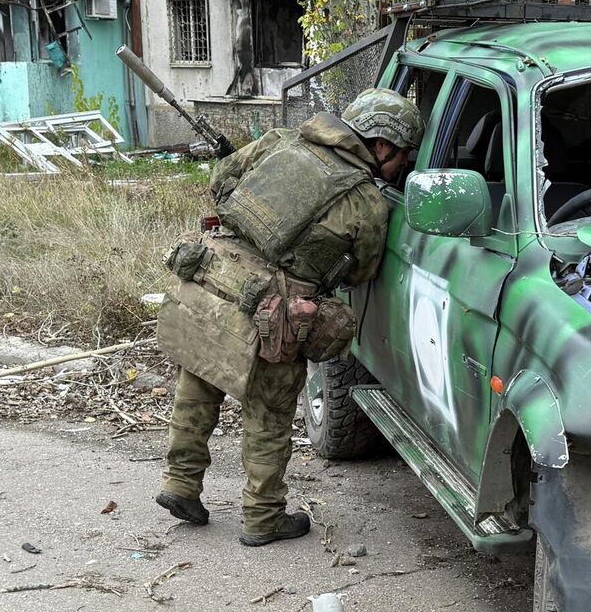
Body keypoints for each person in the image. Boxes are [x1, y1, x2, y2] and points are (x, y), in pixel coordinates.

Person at [155, 88, 421, 546]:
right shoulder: (368, 203)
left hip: (216, 277)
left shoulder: (281, 140)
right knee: (270, 411)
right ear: (381, 145)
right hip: (274, 311)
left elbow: (221, 182)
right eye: (404, 157)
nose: (403, 168)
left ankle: (181, 485)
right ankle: (263, 518)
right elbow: (362, 271)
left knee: (197, 381)